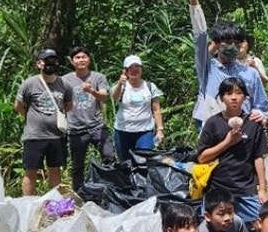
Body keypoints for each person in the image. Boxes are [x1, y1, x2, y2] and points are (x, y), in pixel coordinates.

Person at [182, 0, 268, 127]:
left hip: (243, 131)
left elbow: (261, 106)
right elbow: (200, 35)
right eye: (228, 42)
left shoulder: (251, 74)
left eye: (237, 43)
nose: (232, 46)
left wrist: (260, 115)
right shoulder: (207, 68)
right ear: (216, 44)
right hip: (212, 131)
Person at [196, 77, 268, 223]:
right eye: (229, 93)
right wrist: (227, 142)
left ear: (245, 97)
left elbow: (258, 157)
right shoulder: (212, 123)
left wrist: (262, 189)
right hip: (217, 188)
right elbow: (202, 157)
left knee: (261, 223)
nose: (234, 97)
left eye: (239, 93)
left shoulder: (253, 123)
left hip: (246, 189)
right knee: (215, 227)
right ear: (221, 98)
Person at [15, 49, 73, 196]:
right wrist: (32, 118)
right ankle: (26, 202)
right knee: (30, 171)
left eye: (54, 60)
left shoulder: (64, 84)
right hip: (35, 135)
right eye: (47, 60)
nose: (50, 63)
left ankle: (56, 202)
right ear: (39, 64)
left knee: (55, 170)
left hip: (57, 136)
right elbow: (19, 105)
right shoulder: (29, 83)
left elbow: (68, 105)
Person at [61, 46, 113, 188]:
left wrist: (91, 91)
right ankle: (78, 193)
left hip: (97, 126)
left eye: (84, 57)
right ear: (72, 61)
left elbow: (104, 97)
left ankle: (111, 188)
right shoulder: (65, 80)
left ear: (89, 59)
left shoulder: (98, 77)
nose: (81, 60)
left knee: (109, 157)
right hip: (75, 129)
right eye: (77, 58)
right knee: (77, 166)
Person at [111, 54, 164, 161]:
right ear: (125, 71)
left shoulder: (150, 86)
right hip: (122, 131)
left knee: (144, 160)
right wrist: (120, 83)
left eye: (137, 67)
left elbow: (156, 109)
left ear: (141, 69)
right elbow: (115, 97)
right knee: (125, 163)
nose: (134, 70)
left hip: (145, 131)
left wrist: (160, 130)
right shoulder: (121, 86)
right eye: (131, 68)